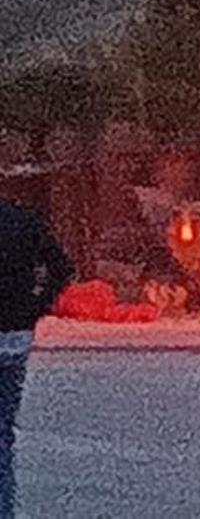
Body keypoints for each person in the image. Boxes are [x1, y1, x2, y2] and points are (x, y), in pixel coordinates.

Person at [0, 202, 73, 517]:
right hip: (15, 332)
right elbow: (62, 268)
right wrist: (37, 306)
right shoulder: (24, 220)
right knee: (3, 428)